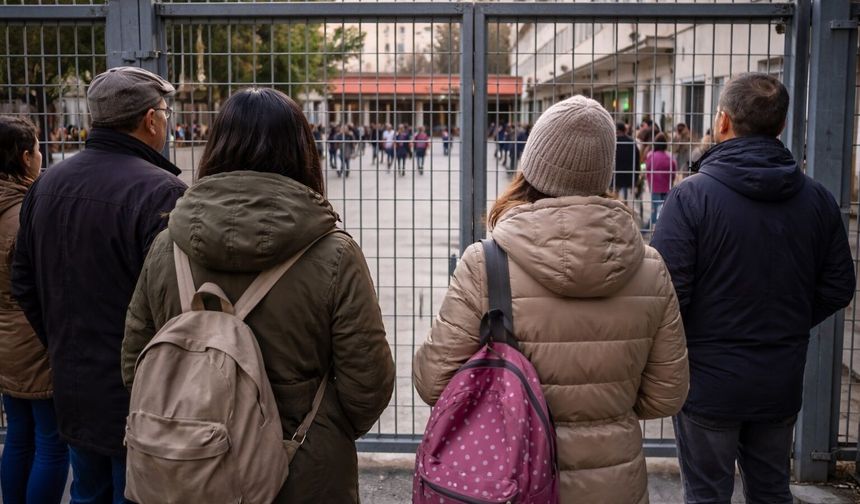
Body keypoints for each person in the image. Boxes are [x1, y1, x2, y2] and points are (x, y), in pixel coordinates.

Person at [121, 87, 395, 503]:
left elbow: (135, 361)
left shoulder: (167, 246)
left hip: (191, 469)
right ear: (302, 150)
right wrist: (324, 429)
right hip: (302, 467)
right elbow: (369, 381)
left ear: (216, 147)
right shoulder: (334, 253)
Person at [413, 95, 689, 504]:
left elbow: (432, 380)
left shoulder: (486, 265)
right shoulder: (650, 269)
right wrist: (607, 406)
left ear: (532, 167)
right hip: (614, 484)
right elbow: (668, 393)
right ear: (604, 172)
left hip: (512, 478)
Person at [651, 73, 856, 504]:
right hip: (779, 378)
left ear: (722, 120)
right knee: (771, 490)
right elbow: (839, 286)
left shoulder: (690, 198)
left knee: (706, 494)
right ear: (780, 126)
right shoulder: (817, 200)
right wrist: (791, 316)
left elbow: (665, 293)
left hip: (707, 381)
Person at [11, 66, 187, 504]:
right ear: (150, 119)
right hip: (143, 394)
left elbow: (24, 282)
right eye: (165, 112)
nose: (167, 122)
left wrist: (60, 340)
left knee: (87, 491)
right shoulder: (164, 193)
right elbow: (176, 303)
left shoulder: (46, 184)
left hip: (73, 384)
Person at [0, 116, 69, 504]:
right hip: (35, 340)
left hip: (5, 343)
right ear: (26, 157)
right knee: (51, 442)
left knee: (18, 436)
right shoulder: (27, 212)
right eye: (39, 148)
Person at [644, 132, 676, 229]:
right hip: (666, 187)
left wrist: (649, 182)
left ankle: (647, 230)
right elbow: (673, 172)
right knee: (664, 211)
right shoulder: (670, 157)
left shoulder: (651, 156)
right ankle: (661, 229)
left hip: (655, 187)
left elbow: (647, 170)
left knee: (655, 210)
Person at [614, 121, 640, 208]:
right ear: (625, 130)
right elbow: (637, 160)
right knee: (628, 200)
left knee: (614, 198)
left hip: (615, 175)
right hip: (629, 175)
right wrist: (636, 176)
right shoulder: (632, 142)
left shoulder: (613, 142)